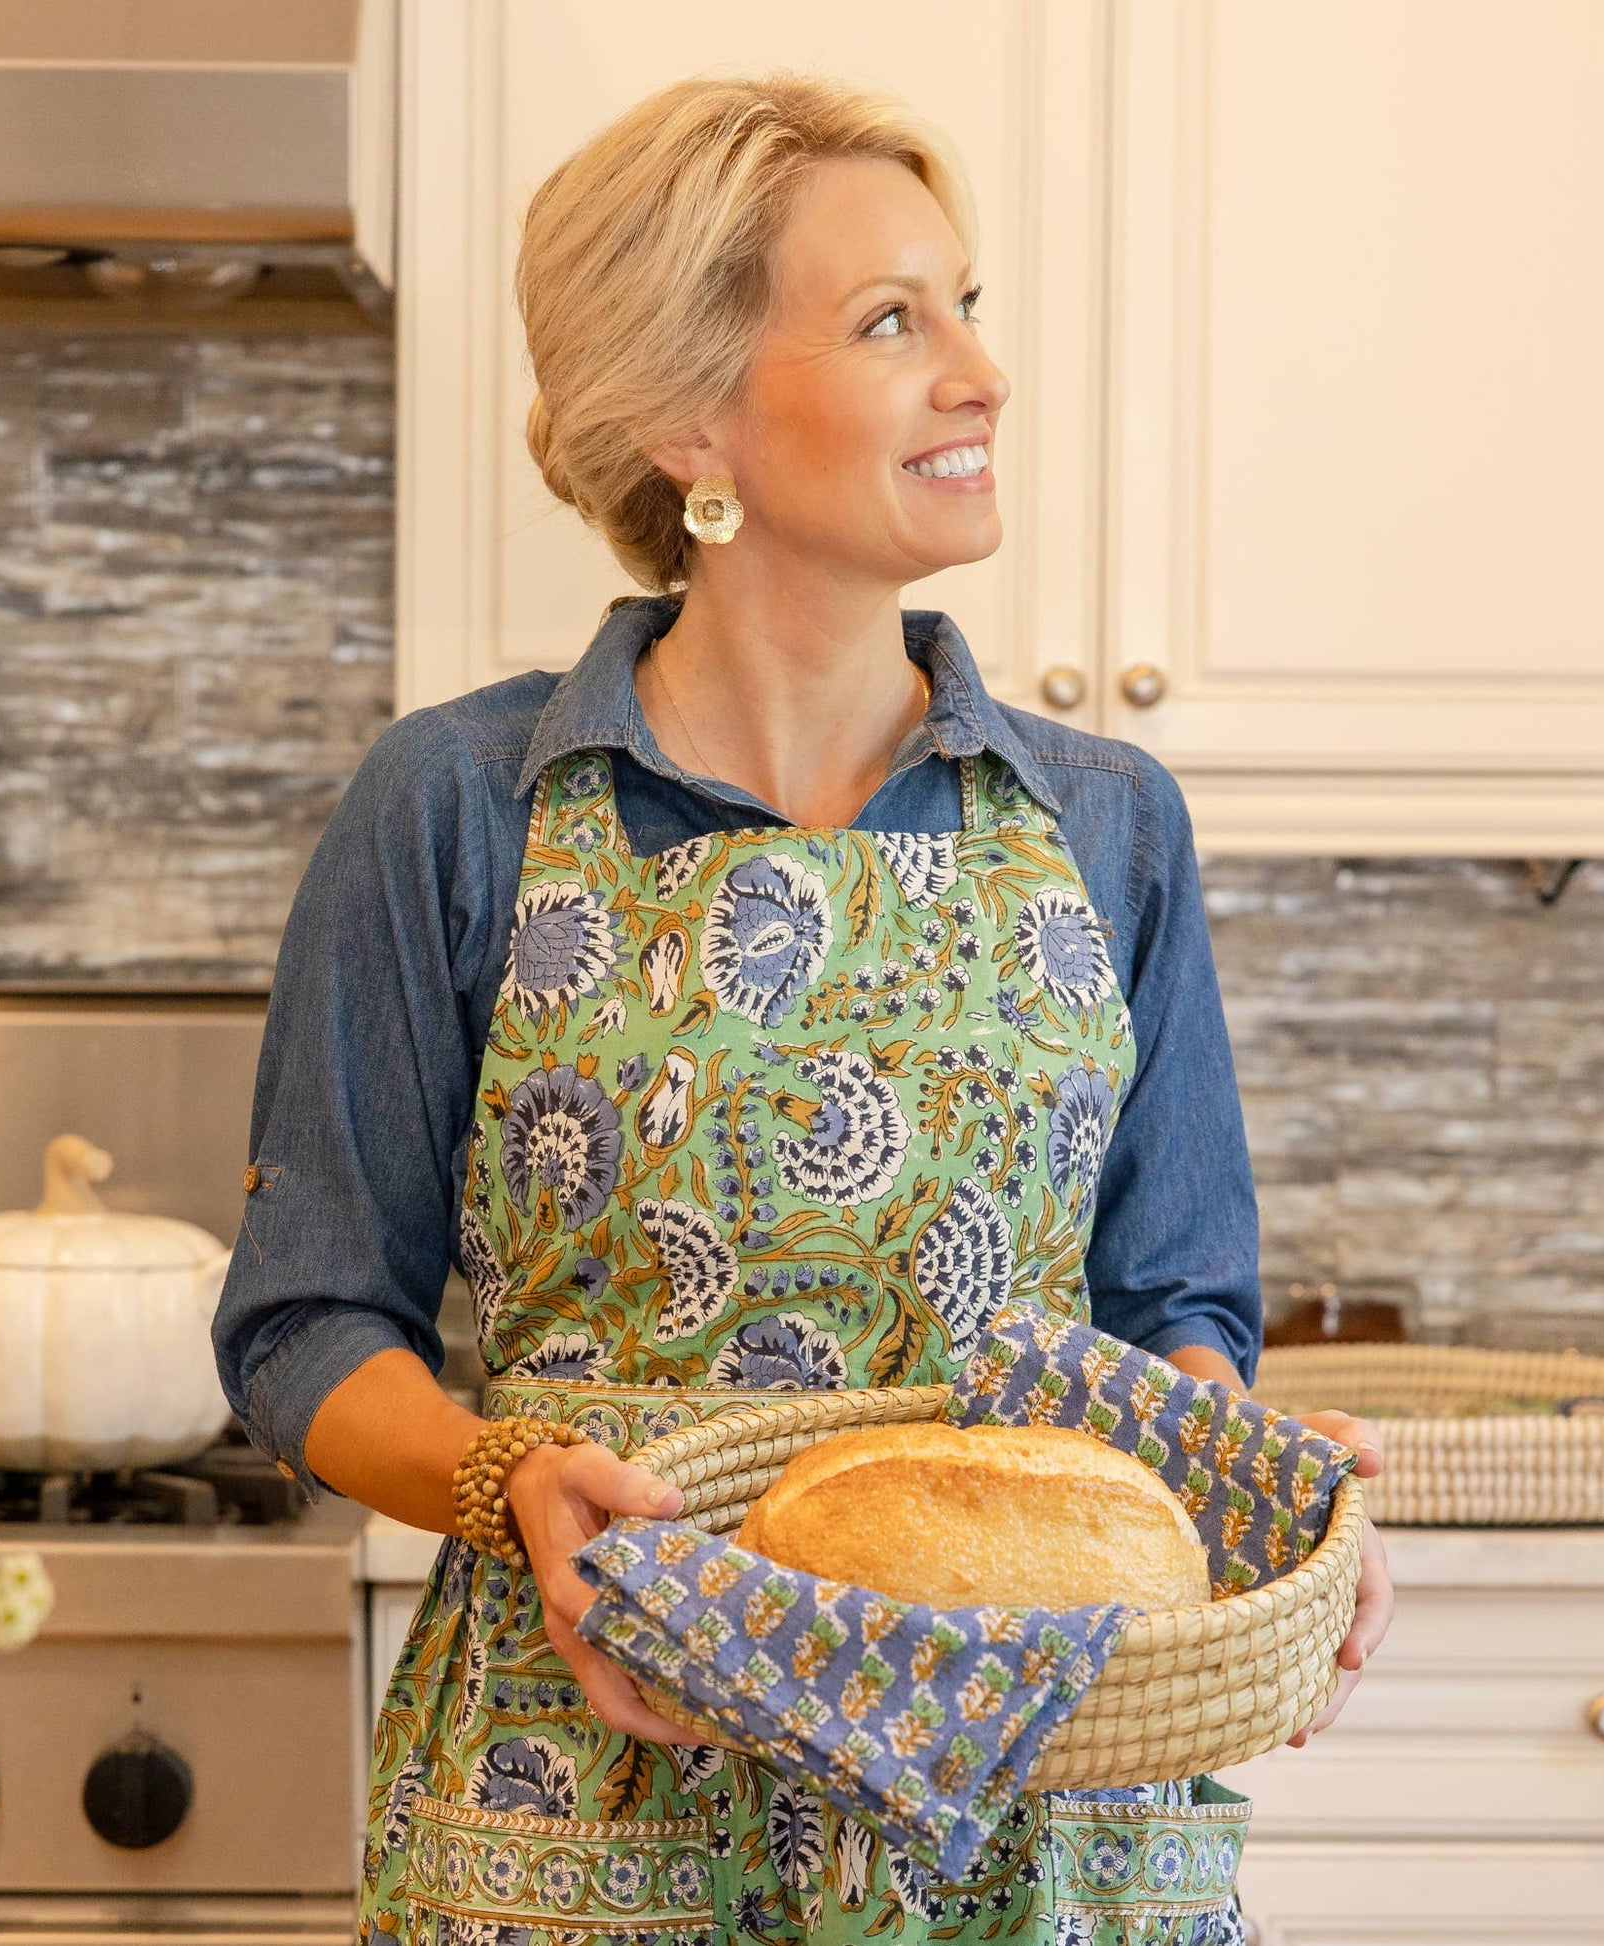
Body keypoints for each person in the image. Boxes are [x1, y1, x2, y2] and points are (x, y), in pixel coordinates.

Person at [212, 69, 1393, 1946]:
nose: (980, 375)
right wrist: (510, 1475)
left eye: (967, 305)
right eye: (889, 321)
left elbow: (1177, 1310)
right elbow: (302, 1326)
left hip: (1038, 1794)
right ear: (696, 415)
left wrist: (1252, 1498)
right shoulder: (460, 808)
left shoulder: (1105, 823)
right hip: (589, 1776)